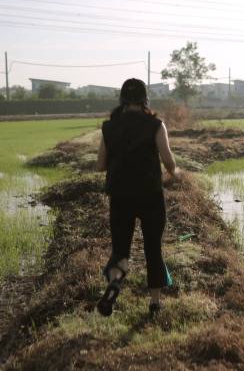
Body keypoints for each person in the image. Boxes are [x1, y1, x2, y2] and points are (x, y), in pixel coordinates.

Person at [96, 78, 178, 317]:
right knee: (153, 248)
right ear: (145, 100)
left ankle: (114, 284)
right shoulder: (156, 125)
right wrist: (174, 173)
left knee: (121, 249)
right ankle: (154, 303)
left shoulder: (108, 127)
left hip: (120, 197)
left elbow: (100, 165)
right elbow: (168, 161)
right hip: (150, 195)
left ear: (122, 100)